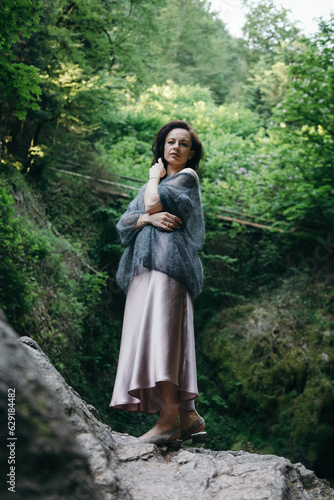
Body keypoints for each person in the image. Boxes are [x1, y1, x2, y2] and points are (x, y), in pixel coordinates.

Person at [109, 120, 206, 449]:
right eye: (170, 142)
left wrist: (153, 182)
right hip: (144, 269)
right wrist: (148, 219)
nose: (175, 147)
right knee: (155, 338)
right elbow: (124, 223)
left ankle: (168, 422)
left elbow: (153, 204)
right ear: (162, 147)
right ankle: (187, 415)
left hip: (169, 267)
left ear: (191, 153)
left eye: (183, 143)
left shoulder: (185, 178)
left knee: (164, 339)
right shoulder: (156, 182)